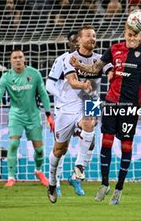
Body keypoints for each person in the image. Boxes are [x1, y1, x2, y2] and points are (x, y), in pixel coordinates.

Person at [70, 16, 141, 205]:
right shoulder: (114, 49)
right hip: (111, 103)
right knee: (106, 143)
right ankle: (105, 184)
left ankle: (119, 188)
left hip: (130, 107)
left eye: (135, 35)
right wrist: (79, 65)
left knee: (125, 147)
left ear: (140, 35)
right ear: (125, 33)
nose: (132, 38)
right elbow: (94, 69)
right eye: (129, 34)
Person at [46, 25, 113, 203]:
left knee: (89, 125)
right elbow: (72, 81)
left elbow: (111, 72)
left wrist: (116, 76)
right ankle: (53, 181)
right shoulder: (69, 58)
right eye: (89, 36)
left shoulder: (100, 58)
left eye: (95, 36)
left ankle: (79, 170)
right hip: (68, 105)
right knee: (60, 149)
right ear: (79, 40)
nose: (93, 38)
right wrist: (83, 85)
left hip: (91, 101)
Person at [0, 48, 54, 187]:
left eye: (20, 57)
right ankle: (11, 177)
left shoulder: (34, 74)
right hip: (16, 115)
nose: (18, 60)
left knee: (39, 150)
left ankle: (38, 171)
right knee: (13, 144)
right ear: (10, 61)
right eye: (15, 58)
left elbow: (43, 94)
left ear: (24, 58)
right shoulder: (6, 77)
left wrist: (49, 115)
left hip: (33, 115)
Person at [45, 31, 78, 199]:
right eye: (73, 42)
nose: (77, 44)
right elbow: (49, 84)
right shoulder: (62, 60)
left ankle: (76, 175)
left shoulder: (95, 59)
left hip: (85, 107)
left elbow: (95, 85)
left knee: (90, 138)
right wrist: (61, 96)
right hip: (64, 109)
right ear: (69, 44)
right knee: (61, 149)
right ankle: (55, 181)